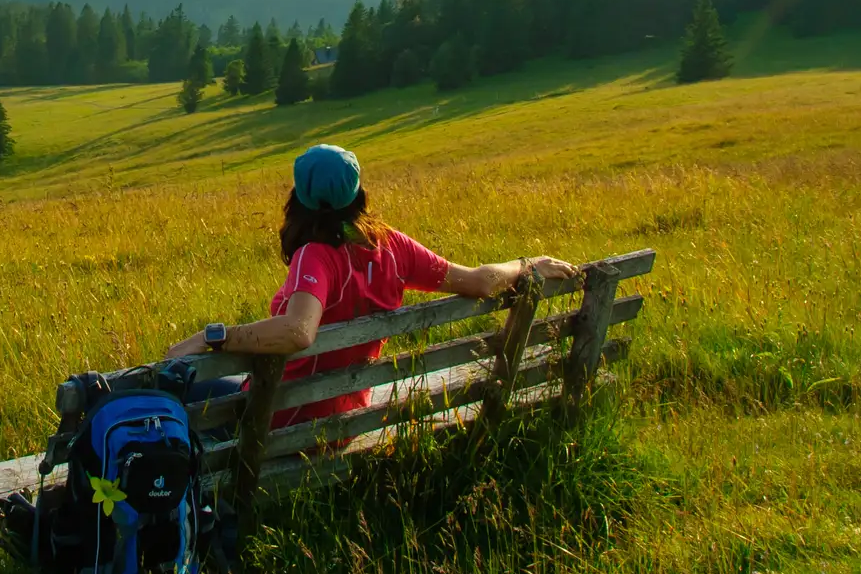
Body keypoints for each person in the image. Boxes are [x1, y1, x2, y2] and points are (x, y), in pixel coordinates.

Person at [165, 144, 579, 429]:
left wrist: (211, 337)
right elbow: (478, 281)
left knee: (176, 388)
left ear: (300, 198)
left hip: (285, 420)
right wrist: (527, 264)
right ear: (359, 193)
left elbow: (297, 331)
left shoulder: (317, 255)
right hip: (348, 417)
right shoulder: (393, 246)